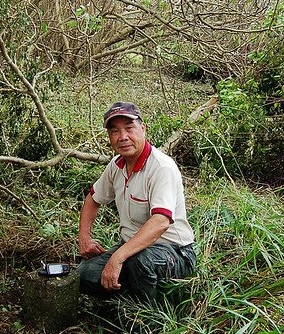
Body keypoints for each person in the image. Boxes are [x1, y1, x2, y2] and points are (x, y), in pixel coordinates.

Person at [77, 102, 196, 302]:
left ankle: (148, 322)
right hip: (132, 249)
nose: (122, 137)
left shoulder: (161, 167)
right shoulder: (116, 166)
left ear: (143, 129)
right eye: (115, 131)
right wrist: (85, 238)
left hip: (174, 252)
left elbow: (160, 221)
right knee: (85, 274)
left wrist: (117, 258)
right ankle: (127, 301)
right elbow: (93, 198)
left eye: (129, 128)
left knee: (140, 263)